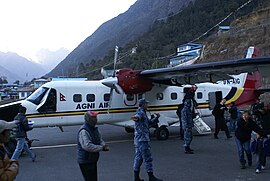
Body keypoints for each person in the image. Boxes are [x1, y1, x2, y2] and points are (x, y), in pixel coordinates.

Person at [131, 98, 162, 181]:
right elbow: (137, 117)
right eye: (146, 104)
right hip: (142, 140)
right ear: (143, 104)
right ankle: (151, 177)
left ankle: (136, 177)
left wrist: (156, 118)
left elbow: (149, 123)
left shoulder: (143, 113)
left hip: (138, 140)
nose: (147, 105)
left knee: (138, 158)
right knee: (147, 158)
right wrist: (135, 118)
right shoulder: (140, 112)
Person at [77, 111, 109, 181]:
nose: (96, 119)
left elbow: (99, 139)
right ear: (89, 119)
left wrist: (104, 145)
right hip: (85, 161)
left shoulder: (94, 129)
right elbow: (87, 146)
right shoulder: (84, 131)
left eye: (96, 117)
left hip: (92, 159)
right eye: (94, 117)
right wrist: (101, 148)